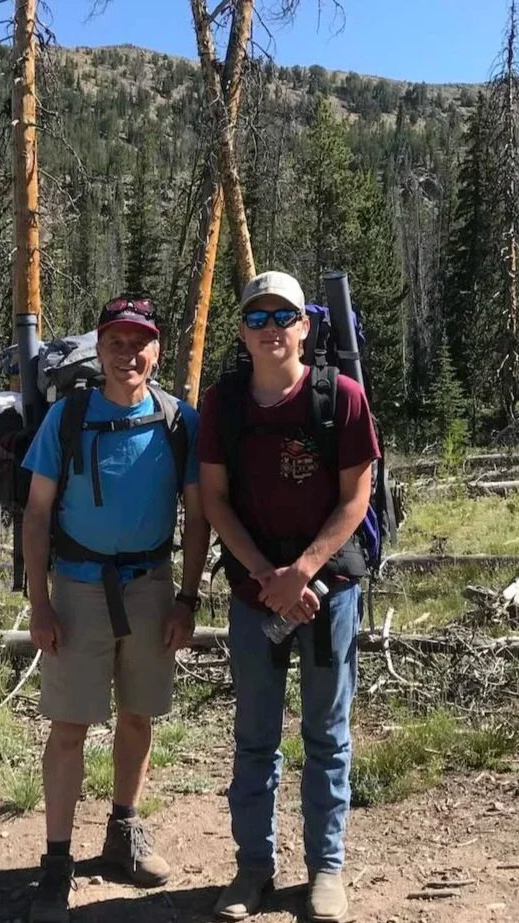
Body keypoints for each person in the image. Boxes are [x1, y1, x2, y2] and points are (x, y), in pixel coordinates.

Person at [199, 271, 380, 923]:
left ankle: (325, 869)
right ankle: (254, 868)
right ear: (242, 332)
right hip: (255, 595)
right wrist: (267, 577)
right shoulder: (223, 405)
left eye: (283, 317)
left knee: (326, 735)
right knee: (255, 737)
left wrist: (301, 571)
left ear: (305, 326)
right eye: (257, 318)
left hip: (327, 593)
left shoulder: (342, 398)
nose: (270, 329)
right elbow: (214, 500)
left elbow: (356, 497)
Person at [22, 294, 209, 923]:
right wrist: (39, 603)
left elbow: (198, 516)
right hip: (78, 590)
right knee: (69, 728)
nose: (128, 354)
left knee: (138, 716)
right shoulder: (68, 417)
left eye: (139, 343)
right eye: (116, 343)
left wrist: (187, 598)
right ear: (99, 349)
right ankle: (57, 863)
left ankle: (123, 831)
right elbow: (37, 514)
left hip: (152, 587)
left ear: (157, 351)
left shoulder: (178, 420)